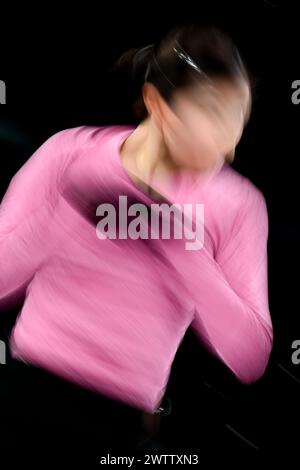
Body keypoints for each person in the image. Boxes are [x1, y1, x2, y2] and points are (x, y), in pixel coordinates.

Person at [0, 22, 273, 463]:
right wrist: (64, 215)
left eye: (237, 121)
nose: (228, 145)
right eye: (213, 115)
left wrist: (176, 242)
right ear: (158, 104)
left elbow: (250, 355)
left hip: (122, 432)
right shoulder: (70, 154)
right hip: (23, 397)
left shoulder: (238, 204)